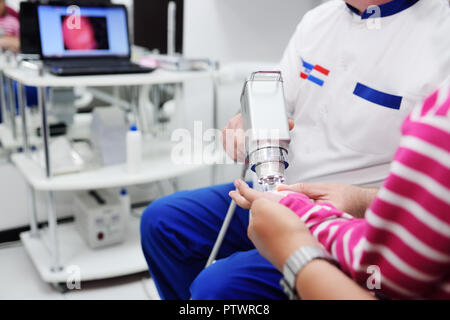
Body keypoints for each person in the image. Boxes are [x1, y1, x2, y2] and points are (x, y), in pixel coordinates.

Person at [140, 0, 450, 300]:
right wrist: (242, 122)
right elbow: (272, 101)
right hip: (280, 189)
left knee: (219, 286)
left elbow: (433, 203)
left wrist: (359, 199)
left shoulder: (440, 37)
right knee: (162, 222)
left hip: (351, 217)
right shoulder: (318, 21)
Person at [230, 80, 450, 299]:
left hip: (325, 211)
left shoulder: (440, 115)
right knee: (194, 216)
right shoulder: (307, 43)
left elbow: (387, 265)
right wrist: (243, 120)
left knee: (224, 283)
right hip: (297, 195)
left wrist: (299, 230)